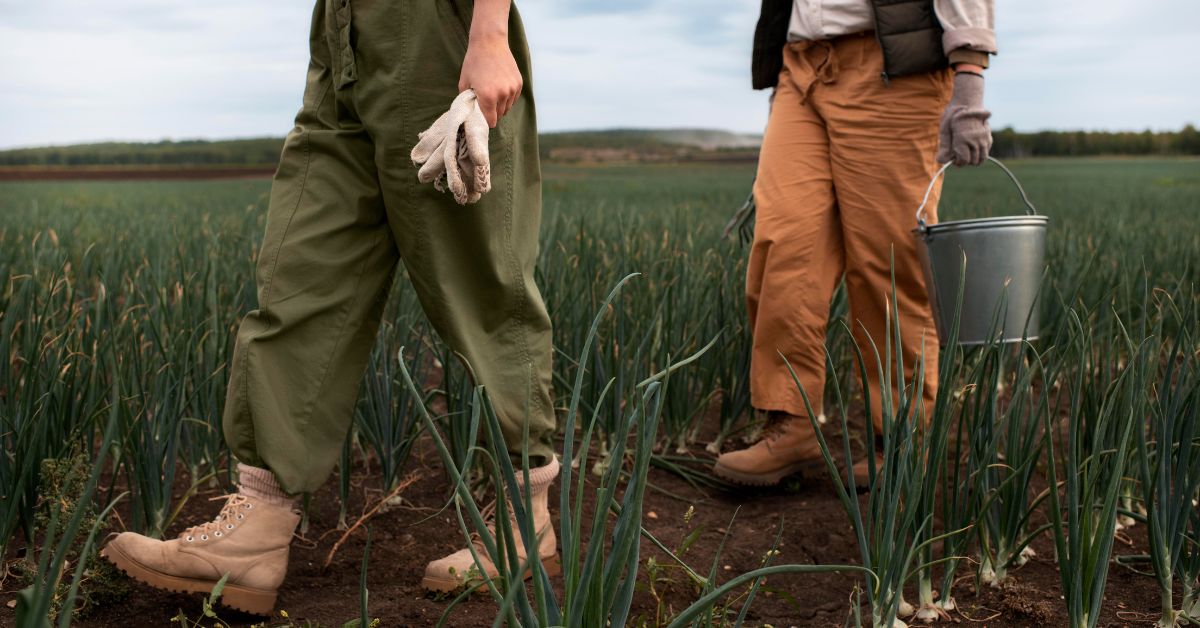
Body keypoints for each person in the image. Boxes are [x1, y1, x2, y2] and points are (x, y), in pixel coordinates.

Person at [100, 0, 558, 614]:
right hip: (341, 33)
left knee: (483, 289)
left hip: (438, 38)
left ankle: (524, 522)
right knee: (300, 280)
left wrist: (489, 33)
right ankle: (255, 534)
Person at [714, 0, 996, 486]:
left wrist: (968, 76)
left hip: (892, 72)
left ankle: (904, 440)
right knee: (784, 245)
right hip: (800, 68)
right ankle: (793, 424)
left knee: (886, 261)